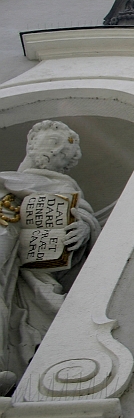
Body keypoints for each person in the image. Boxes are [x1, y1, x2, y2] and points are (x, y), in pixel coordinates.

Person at [0, 121, 99, 393]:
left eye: (62, 150)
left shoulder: (64, 185)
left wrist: (84, 229)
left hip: (34, 268)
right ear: (31, 144)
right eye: (51, 141)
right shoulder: (4, 180)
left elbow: (83, 215)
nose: (54, 151)